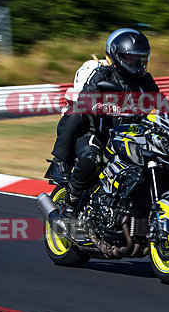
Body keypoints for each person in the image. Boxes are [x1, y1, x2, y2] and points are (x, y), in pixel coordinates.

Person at [45, 28, 159, 213]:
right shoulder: (102, 74)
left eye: (140, 58)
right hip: (98, 133)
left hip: (132, 137)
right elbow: (85, 98)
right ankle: (69, 203)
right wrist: (97, 105)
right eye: (130, 58)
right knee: (92, 158)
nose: (135, 63)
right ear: (116, 56)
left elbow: (159, 102)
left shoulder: (145, 80)